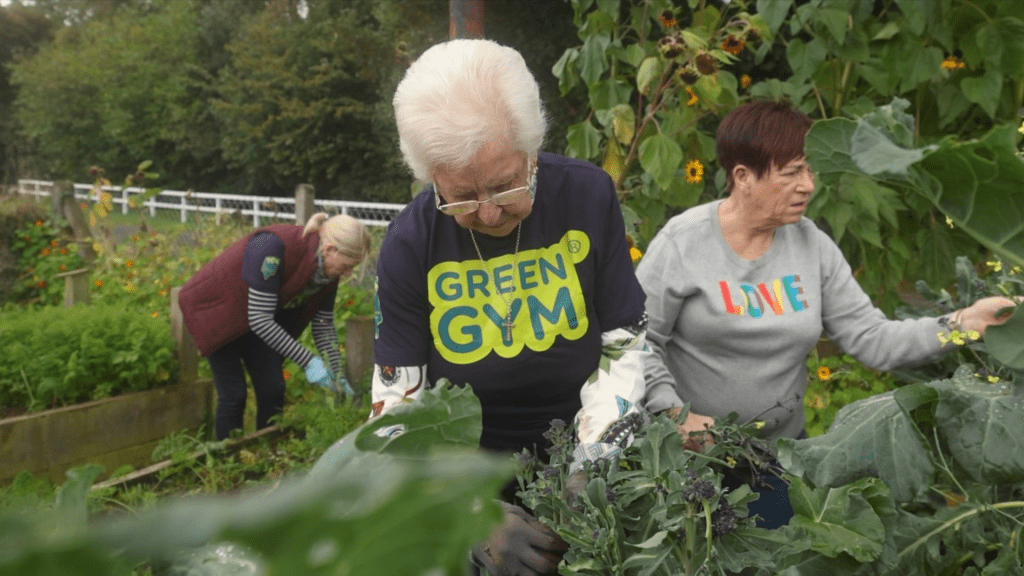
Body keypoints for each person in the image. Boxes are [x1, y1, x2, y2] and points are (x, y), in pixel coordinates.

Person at [637, 99, 1021, 529]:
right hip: (690, 460)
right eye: (791, 173)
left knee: (779, 559)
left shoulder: (811, 245)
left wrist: (964, 324)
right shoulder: (683, 243)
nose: (808, 186)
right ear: (743, 177)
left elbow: (873, 339)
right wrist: (673, 414)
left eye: (808, 170)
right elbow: (635, 339)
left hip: (777, 457)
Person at [370, 39, 649, 575]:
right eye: (460, 197)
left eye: (503, 186)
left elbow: (623, 340)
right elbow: (396, 411)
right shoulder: (410, 243)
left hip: (585, 450)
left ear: (531, 150)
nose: (489, 213)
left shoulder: (586, 198)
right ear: (431, 178)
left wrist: (594, 461)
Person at [179, 212, 371, 440]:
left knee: (273, 388)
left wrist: (336, 371)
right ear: (329, 249)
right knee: (234, 394)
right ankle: (227, 460)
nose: (349, 273)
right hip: (216, 313)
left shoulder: (327, 272)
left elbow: (323, 323)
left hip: (257, 320)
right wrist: (309, 362)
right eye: (348, 265)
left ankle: (266, 449)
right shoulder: (270, 248)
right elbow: (260, 319)